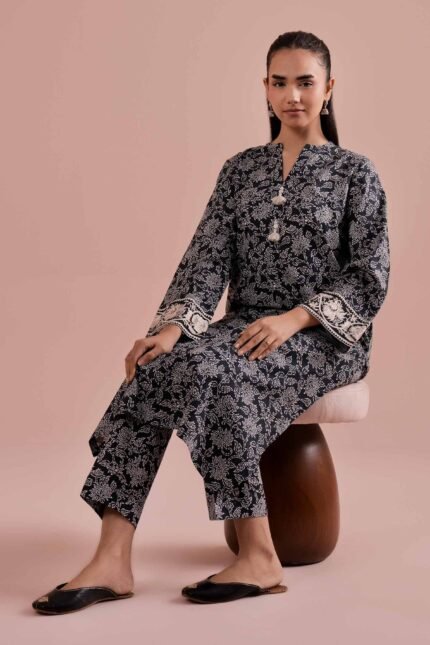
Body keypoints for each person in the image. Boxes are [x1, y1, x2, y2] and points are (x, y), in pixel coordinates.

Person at [32, 29, 390, 612]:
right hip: (244, 324)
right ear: (265, 88)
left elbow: (368, 278)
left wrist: (294, 319)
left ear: (328, 89)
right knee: (157, 367)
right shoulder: (240, 171)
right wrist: (171, 329)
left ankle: (259, 554)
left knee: (216, 374)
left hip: (324, 336)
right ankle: (112, 558)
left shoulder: (356, 173)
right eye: (280, 82)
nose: (292, 95)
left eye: (305, 82)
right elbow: (206, 260)